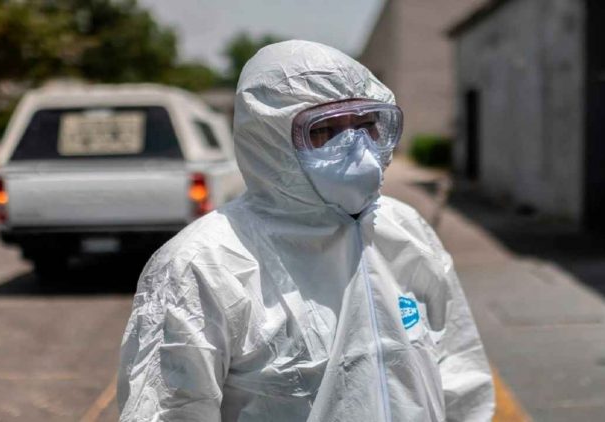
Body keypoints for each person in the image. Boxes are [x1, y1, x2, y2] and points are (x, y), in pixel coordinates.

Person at [117, 40, 495, 421]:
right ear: (270, 140)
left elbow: (458, 373)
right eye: (324, 130)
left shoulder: (404, 230)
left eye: (367, 125)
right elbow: (170, 410)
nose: (356, 148)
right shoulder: (202, 265)